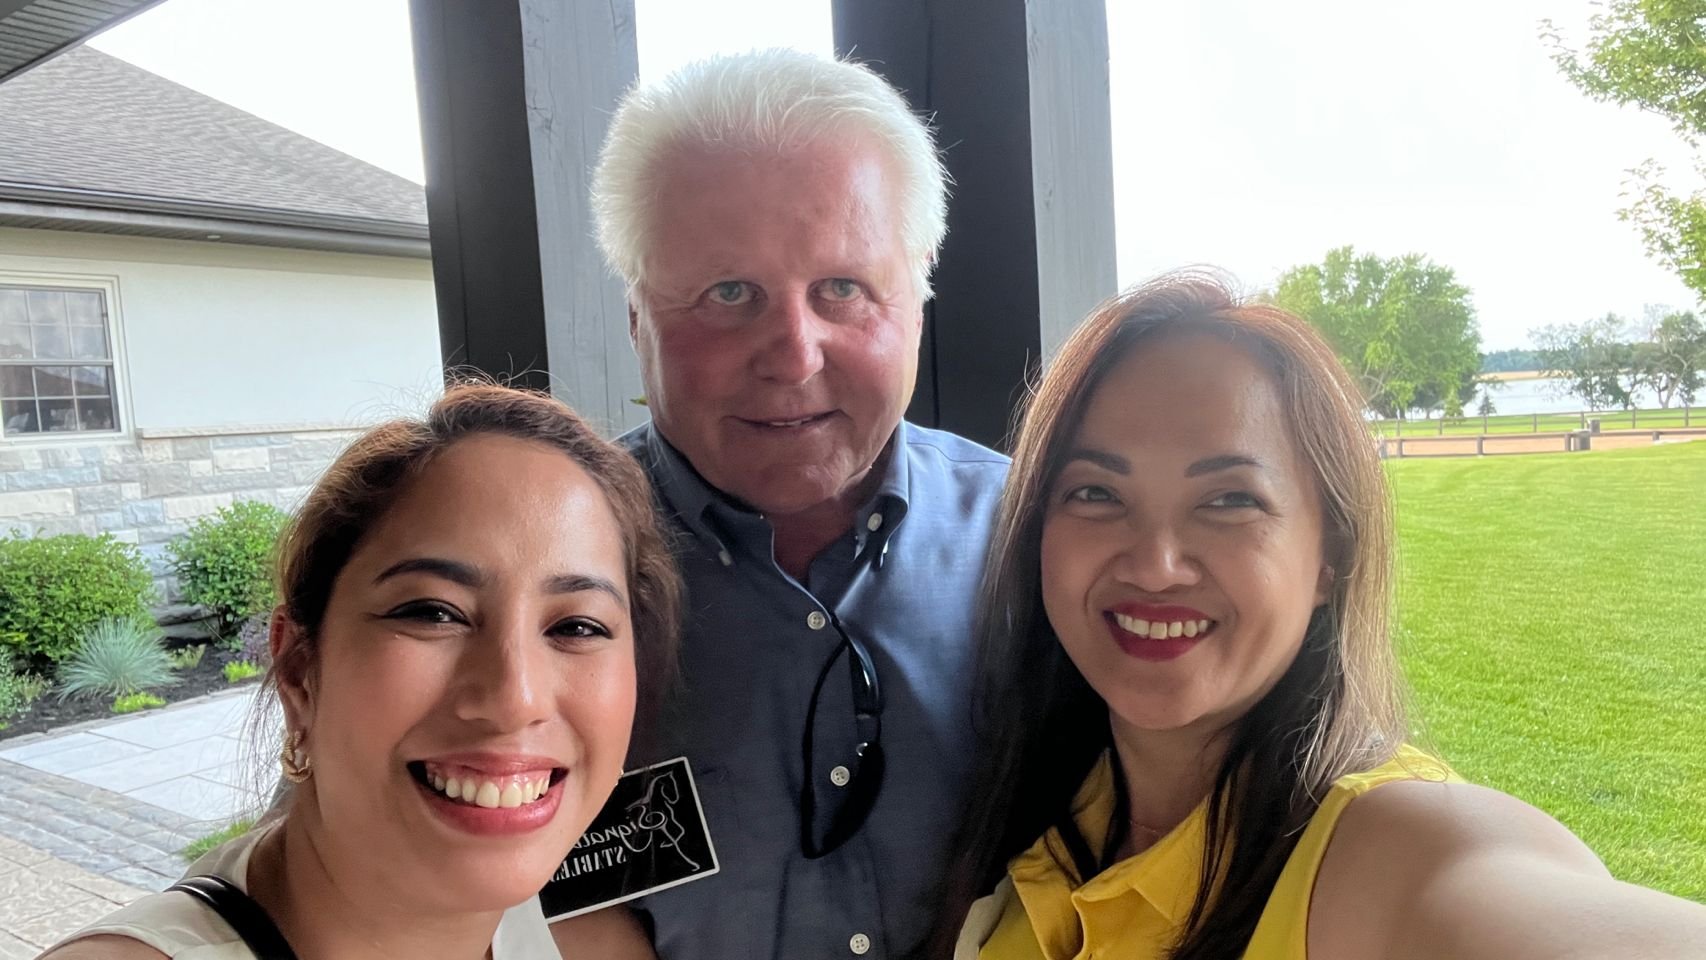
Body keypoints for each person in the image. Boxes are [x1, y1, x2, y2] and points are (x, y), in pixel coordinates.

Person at [943, 275, 1706, 959]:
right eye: (1096, 493)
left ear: (1328, 557)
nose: (1155, 564)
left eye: (1229, 500)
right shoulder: (1040, 812)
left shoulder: (1384, 854)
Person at [553, 48, 1009, 960]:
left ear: (919, 294)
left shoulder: (1036, 540)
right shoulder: (541, 566)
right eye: (729, 294)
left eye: (843, 288)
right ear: (637, 315)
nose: (795, 354)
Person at [43, 383, 682, 960]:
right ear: (299, 669)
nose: (515, 698)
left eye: (577, 627)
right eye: (433, 613)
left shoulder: (590, 938)